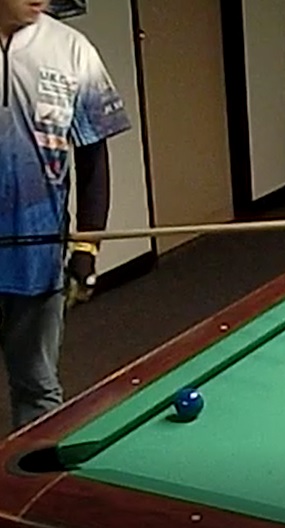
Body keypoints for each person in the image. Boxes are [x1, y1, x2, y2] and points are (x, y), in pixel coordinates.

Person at [1, 0, 130, 432]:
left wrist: (87, 247)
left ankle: (35, 475)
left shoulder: (72, 50)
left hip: (37, 256)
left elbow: (93, 159)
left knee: (37, 389)